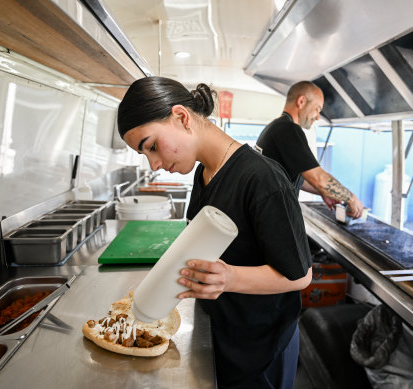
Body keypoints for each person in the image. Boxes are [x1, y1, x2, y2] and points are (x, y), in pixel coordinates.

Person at [117, 76, 312, 389]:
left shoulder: (262, 179)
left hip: (261, 347)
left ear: (181, 117)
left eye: (152, 146)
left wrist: (230, 278)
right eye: (145, 155)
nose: (154, 162)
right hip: (222, 331)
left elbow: (300, 276)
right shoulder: (204, 172)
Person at [256, 81, 364, 218]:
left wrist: (323, 191)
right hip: (273, 217)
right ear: (301, 101)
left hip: (267, 215)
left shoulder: (276, 126)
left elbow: (301, 179)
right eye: (317, 109)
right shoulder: (289, 129)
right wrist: (351, 198)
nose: (318, 117)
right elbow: (316, 177)